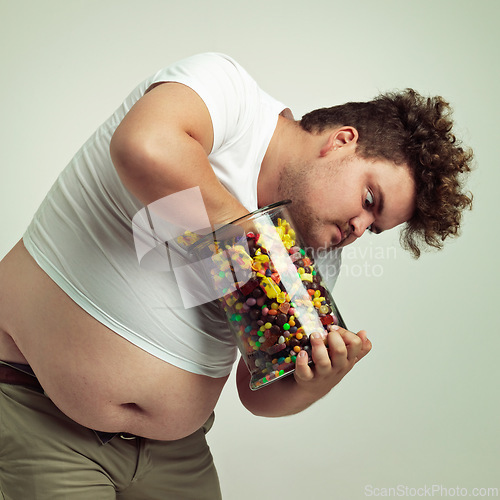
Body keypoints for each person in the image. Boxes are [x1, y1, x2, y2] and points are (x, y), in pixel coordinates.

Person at [0, 52, 472, 499]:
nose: (358, 229)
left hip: (175, 455)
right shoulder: (231, 97)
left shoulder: (312, 255)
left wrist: (313, 382)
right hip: (42, 417)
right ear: (342, 141)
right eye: (370, 201)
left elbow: (258, 389)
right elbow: (144, 146)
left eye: (375, 229)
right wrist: (253, 236)